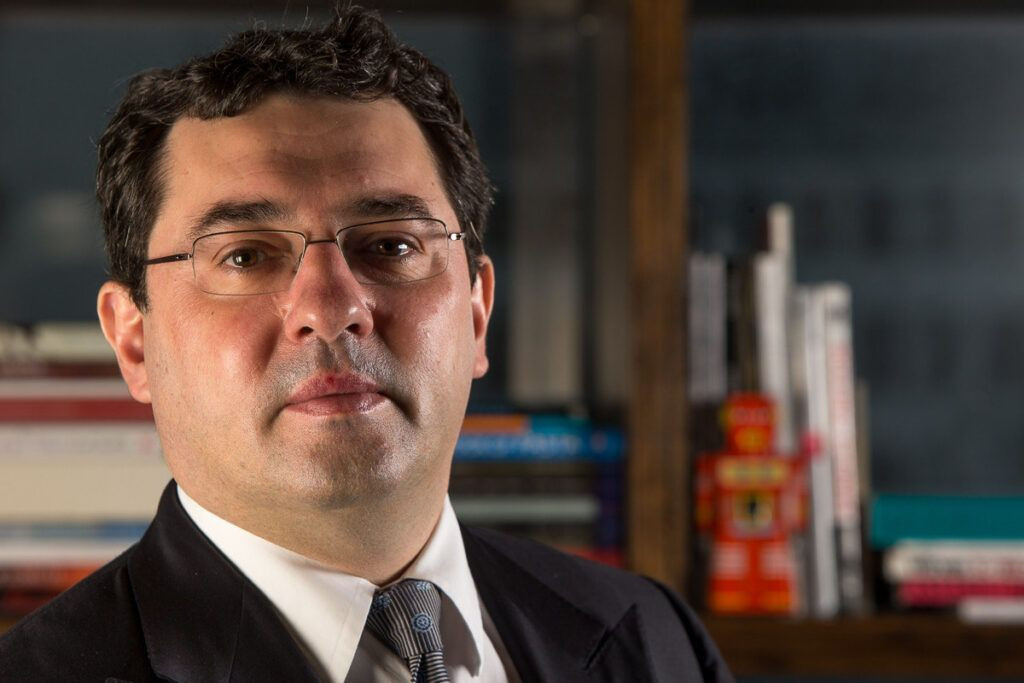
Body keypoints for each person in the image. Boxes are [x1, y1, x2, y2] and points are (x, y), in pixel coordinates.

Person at [0, 6, 733, 682]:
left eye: (390, 244)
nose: (330, 309)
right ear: (134, 342)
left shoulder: (657, 640)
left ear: (476, 311)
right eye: (245, 255)